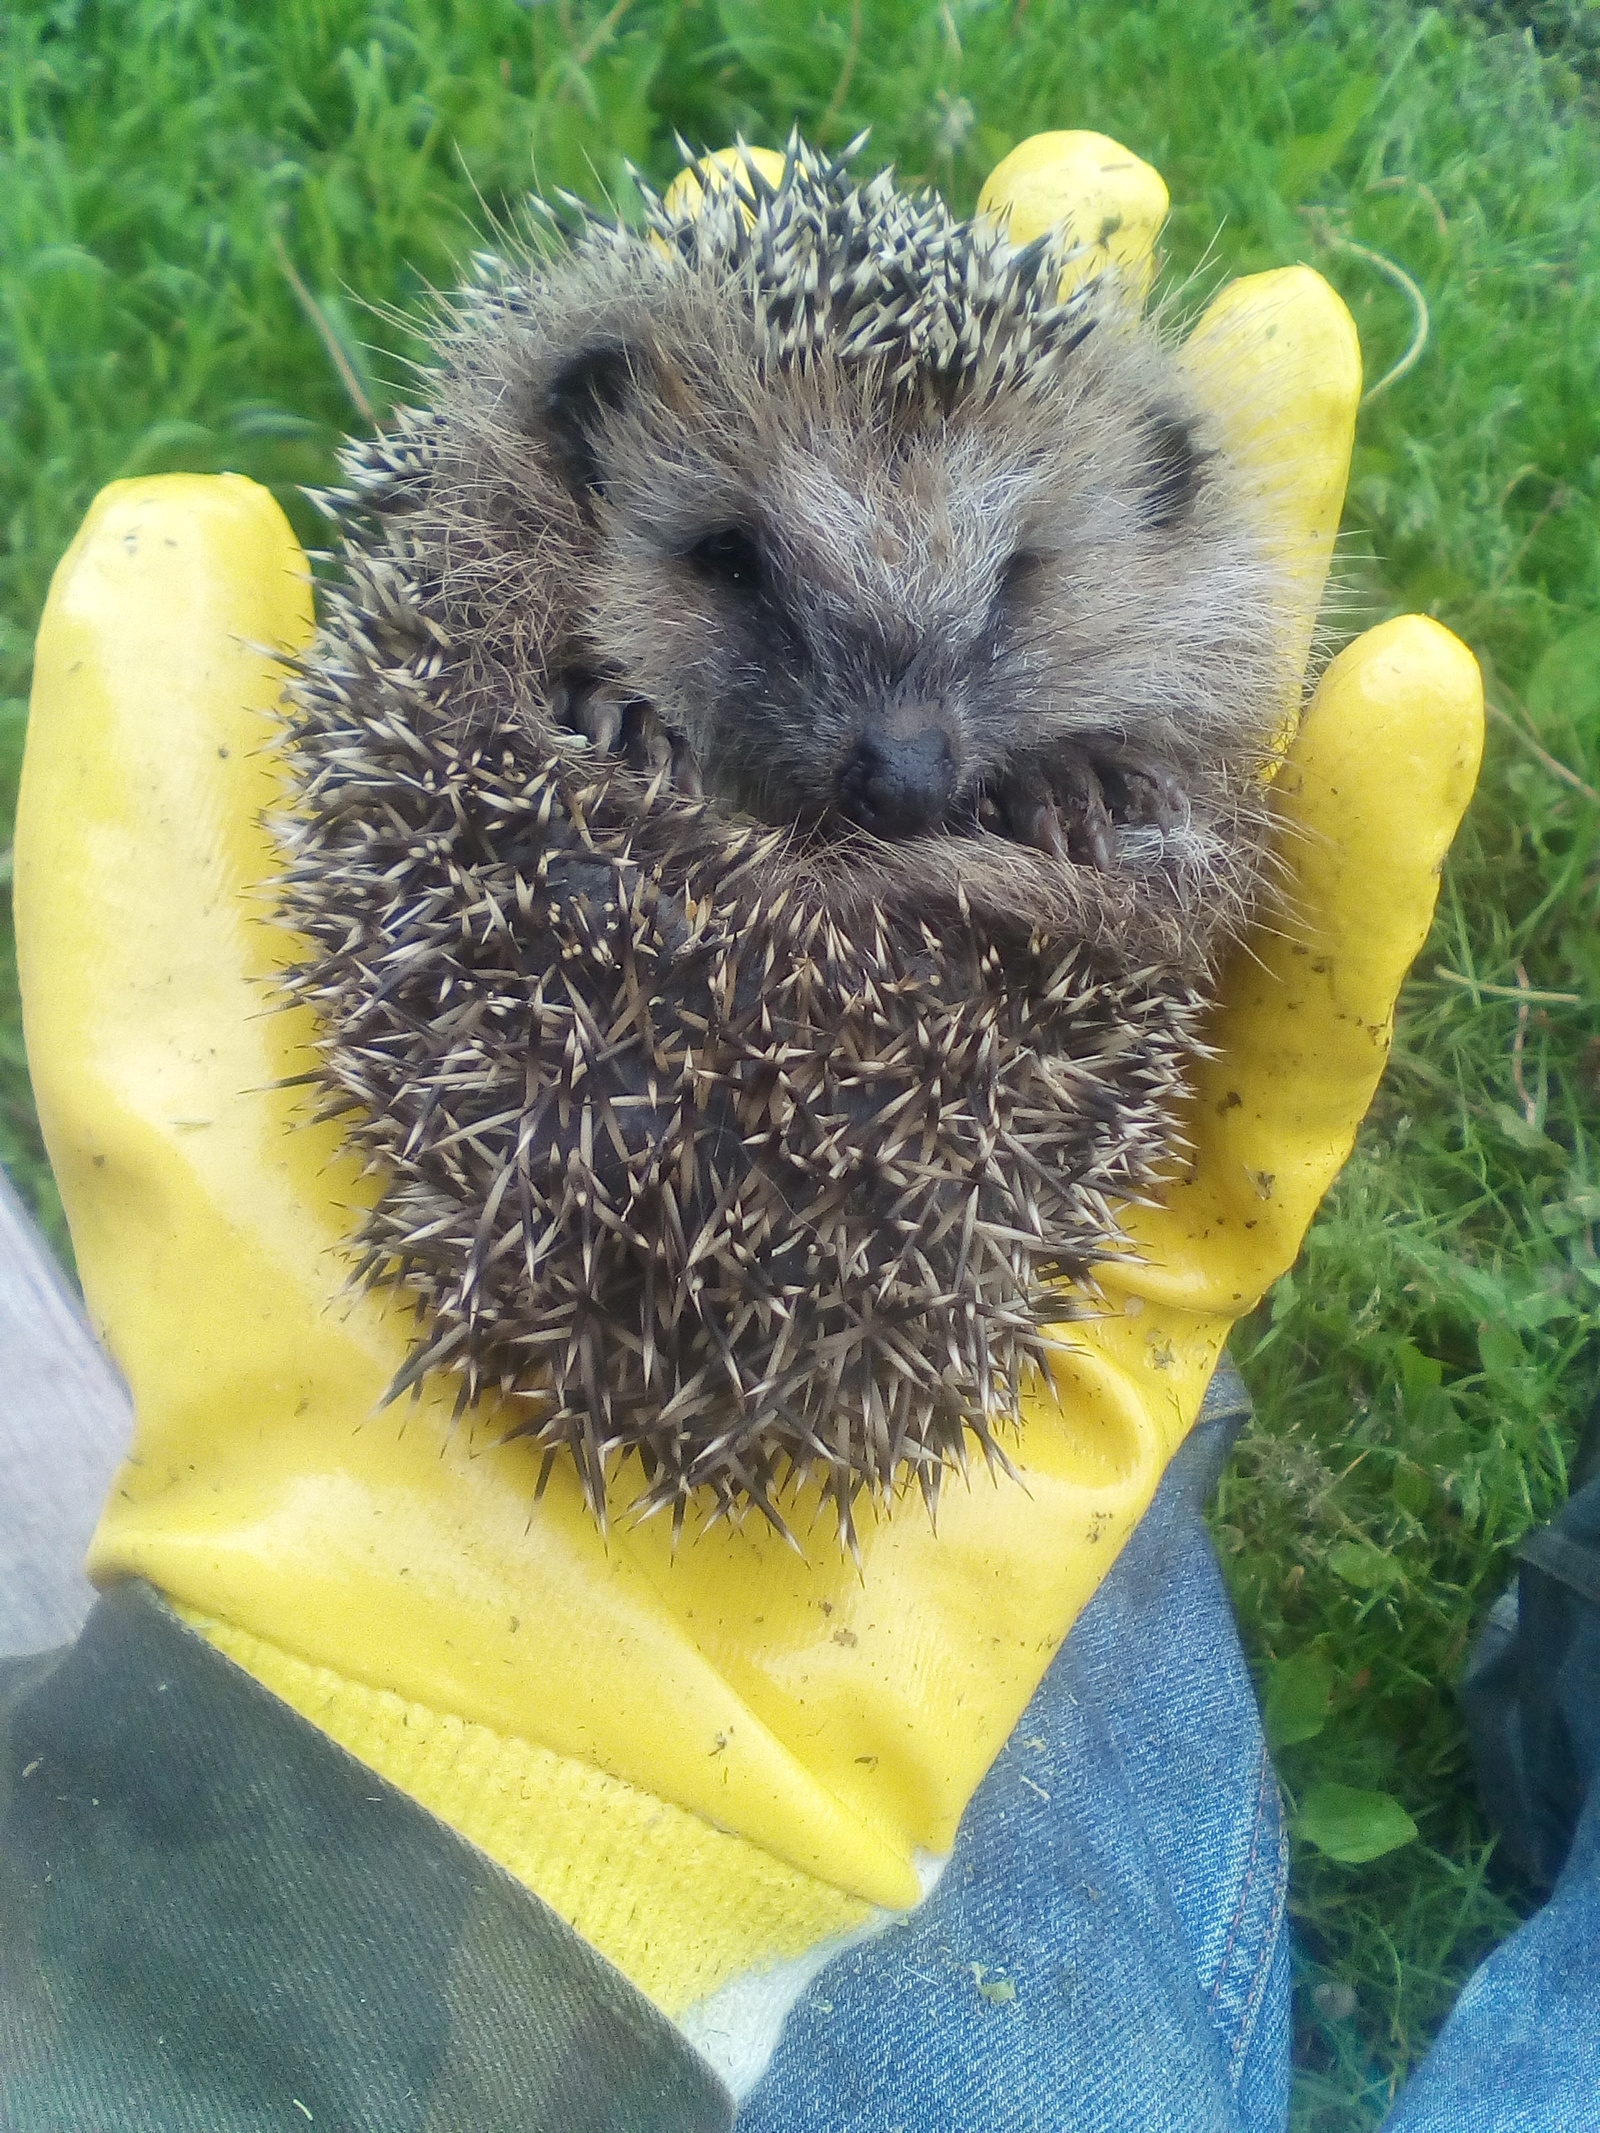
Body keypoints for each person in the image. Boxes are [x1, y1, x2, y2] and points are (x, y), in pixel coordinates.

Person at [7, 134, 1564, 2132]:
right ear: (575, 458)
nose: (899, 747)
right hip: (575, 1192)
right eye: (743, 570)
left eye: (1006, 590)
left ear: (1135, 527)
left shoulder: (1082, 696)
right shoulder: (521, 598)